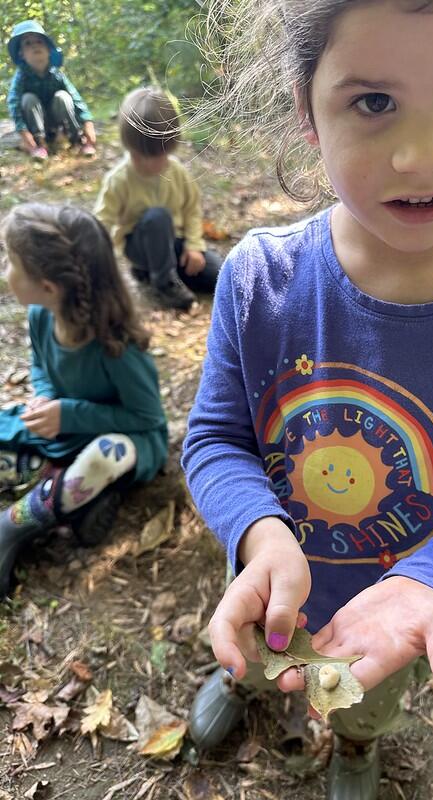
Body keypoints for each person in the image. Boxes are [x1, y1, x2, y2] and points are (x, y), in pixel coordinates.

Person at [181, 2, 433, 797]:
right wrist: (260, 535)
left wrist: (431, 585)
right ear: (307, 109)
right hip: (274, 588)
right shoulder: (258, 281)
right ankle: (242, 683)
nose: (424, 155)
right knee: (262, 653)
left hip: (389, 620)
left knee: (362, 701)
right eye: (374, 101)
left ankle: (359, 747)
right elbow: (217, 440)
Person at [0, 203, 168, 600]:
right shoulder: (42, 315)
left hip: (122, 439)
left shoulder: (118, 347)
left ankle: (14, 524)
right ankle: (75, 498)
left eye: (12, 263)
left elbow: (146, 417)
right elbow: (39, 366)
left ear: (48, 286)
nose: (6, 272)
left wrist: (68, 413)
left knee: (102, 457)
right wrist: (45, 398)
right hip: (62, 432)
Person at [94, 87, 222, 312]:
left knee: (217, 273)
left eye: (161, 156)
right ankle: (162, 283)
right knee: (157, 217)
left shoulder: (177, 173)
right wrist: (99, 263)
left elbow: (192, 210)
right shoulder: (119, 180)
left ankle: (168, 273)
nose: (152, 165)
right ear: (130, 148)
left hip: (173, 243)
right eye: (142, 157)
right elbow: (102, 223)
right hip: (140, 246)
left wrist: (193, 247)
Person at [6, 20, 96, 161]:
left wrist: (88, 123)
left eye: (39, 41)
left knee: (63, 96)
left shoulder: (57, 75)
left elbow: (76, 98)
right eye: (28, 43)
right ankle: (39, 145)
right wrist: (23, 132)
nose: (35, 45)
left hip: (58, 124)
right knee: (28, 98)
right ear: (21, 54)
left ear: (48, 49)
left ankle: (78, 140)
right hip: (35, 125)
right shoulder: (21, 77)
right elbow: (14, 104)